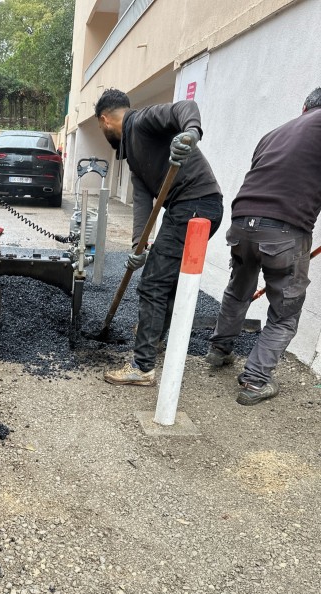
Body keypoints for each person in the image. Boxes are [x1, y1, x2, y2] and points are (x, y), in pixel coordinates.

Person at [95, 89, 224, 386]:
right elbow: (142, 203)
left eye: (101, 127)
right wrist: (137, 245)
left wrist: (190, 134)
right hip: (194, 205)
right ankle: (153, 343)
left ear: (105, 120)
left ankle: (142, 366)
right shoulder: (133, 158)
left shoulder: (141, 121)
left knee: (154, 283)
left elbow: (185, 106)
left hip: (195, 203)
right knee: (165, 281)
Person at [206, 88, 321, 406]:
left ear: (303, 108)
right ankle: (256, 381)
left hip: (242, 224)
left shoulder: (273, 134)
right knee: (285, 313)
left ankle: (218, 351)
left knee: (238, 289)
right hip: (285, 231)